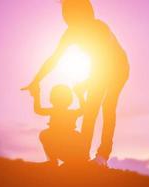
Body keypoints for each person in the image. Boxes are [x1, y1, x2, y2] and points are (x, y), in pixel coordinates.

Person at [22, 0, 129, 166]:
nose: (65, 17)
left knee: (108, 107)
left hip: (118, 69)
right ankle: (82, 157)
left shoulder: (100, 28)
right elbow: (54, 59)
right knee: (90, 110)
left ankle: (102, 156)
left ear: (83, 12)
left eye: (69, 12)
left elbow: (105, 61)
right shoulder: (70, 33)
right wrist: (36, 80)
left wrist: (88, 82)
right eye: (64, 13)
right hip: (99, 70)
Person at [30, 84, 86, 166]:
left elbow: (38, 110)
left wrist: (80, 95)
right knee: (44, 134)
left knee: (45, 134)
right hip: (58, 139)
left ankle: (64, 160)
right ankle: (53, 161)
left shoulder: (71, 112)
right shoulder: (67, 112)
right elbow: (38, 110)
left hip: (69, 141)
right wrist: (36, 95)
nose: (60, 101)